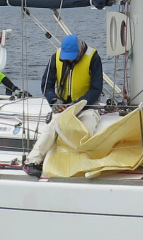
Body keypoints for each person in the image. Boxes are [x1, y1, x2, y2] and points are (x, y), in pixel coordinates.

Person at [26, 35, 104, 174]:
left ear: (80, 50)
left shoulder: (93, 58)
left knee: (86, 128)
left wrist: (79, 104)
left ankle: (79, 163)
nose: (70, 60)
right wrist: (54, 101)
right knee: (51, 128)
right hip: (63, 106)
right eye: (67, 57)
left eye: (73, 56)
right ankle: (32, 161)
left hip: (88, 106)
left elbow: (96, 88)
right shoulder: (55, 58)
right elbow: (47, 85)